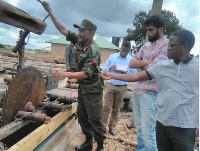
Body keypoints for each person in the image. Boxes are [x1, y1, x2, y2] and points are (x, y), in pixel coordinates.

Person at [102, 29, 199, 151]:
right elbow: (137, 76)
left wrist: (198, 124)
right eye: (168, 44)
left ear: (184, 47)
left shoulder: (197, 67)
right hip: (162, 124)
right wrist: (113, 75)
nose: (167, 48)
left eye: (172, 45)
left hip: (185, 127)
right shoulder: (163, 66)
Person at [42, 2, 105, 151]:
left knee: (95, 119)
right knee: (83, 116)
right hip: (83, 88)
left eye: (82, 31)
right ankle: (88, 143)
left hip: (93, 90)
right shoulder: (79, 41)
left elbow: (85, 73)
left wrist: (64, 74)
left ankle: (100, 146)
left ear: (91, 33)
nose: (79, 33)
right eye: (79, 30)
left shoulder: (93, 50)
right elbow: (63, 29)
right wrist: (50, 11)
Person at [129, 15, 169, 150]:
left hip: (151, 92)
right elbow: (132, 63)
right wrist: (148, 62)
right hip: (137, 90)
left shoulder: (167, 45)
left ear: (161, 29)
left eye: (151, 30)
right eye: (147, 30)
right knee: (139, 128)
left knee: (148, 131)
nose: (148, 33)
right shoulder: (146, 45)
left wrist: (145, 64)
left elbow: (155, 68)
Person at [102, 40, 137, 135]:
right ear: (120, 48)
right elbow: (103, 69)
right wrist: (109, 68)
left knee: (116, 109)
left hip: (122, 87)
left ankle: (112, 126)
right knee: (106, 107)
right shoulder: (112, 57)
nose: (123, 53)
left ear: (129, 50)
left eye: (126, 51)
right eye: (122, 50)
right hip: (110, 85)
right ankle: (103, 126)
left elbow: (134, 74)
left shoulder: (131, 60)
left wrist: (128, 73)